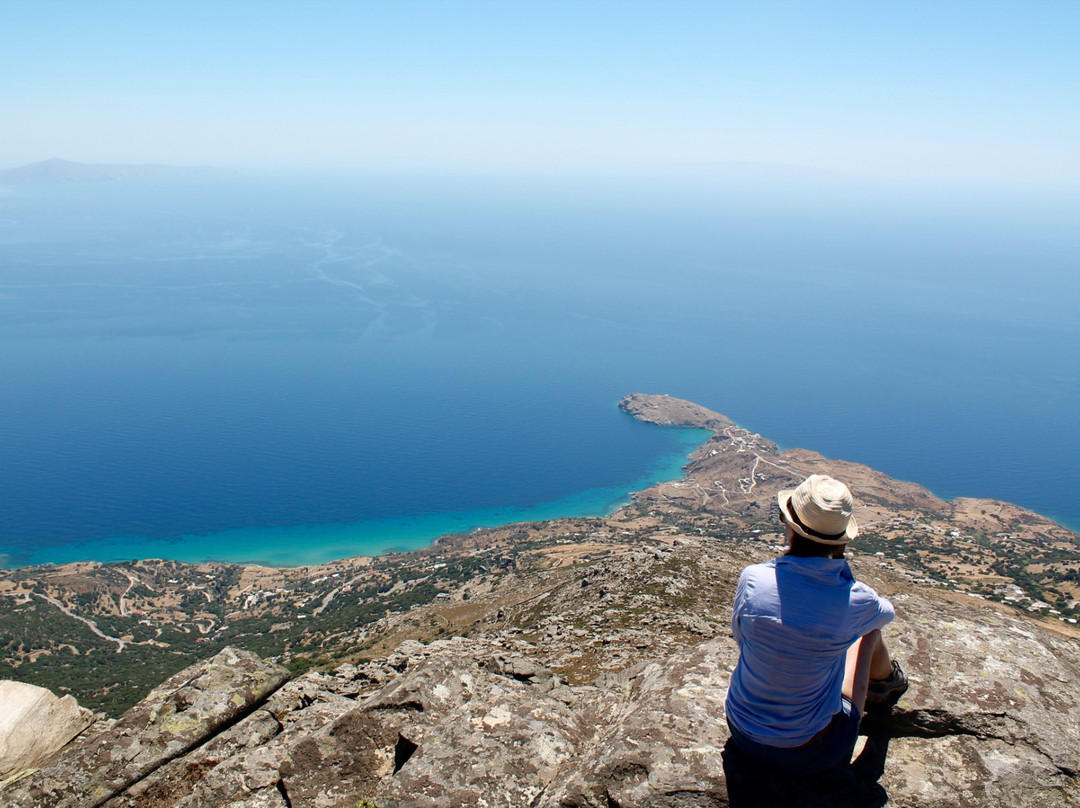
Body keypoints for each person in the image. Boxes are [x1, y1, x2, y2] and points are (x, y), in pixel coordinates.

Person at [724, 474, 908, 775]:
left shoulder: (754, 578)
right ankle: (888, 686)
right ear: (842, 538)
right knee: (869, 632)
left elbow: (741, 638)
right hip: (812, 751)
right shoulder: (856, 599)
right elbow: (885, 614)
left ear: (787, 522)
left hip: (742, 731)